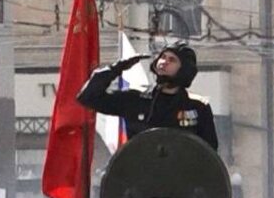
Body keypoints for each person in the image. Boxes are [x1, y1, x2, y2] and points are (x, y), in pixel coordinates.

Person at [77, 41, 219, 150]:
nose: (164, 62)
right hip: (140, 173)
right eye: (163, 57)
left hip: (179, 175)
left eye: (172, 60)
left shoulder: (197, 107)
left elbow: (209, 152)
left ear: (184, 69)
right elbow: (88, 97)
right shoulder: (136, 99)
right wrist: (116, 68)